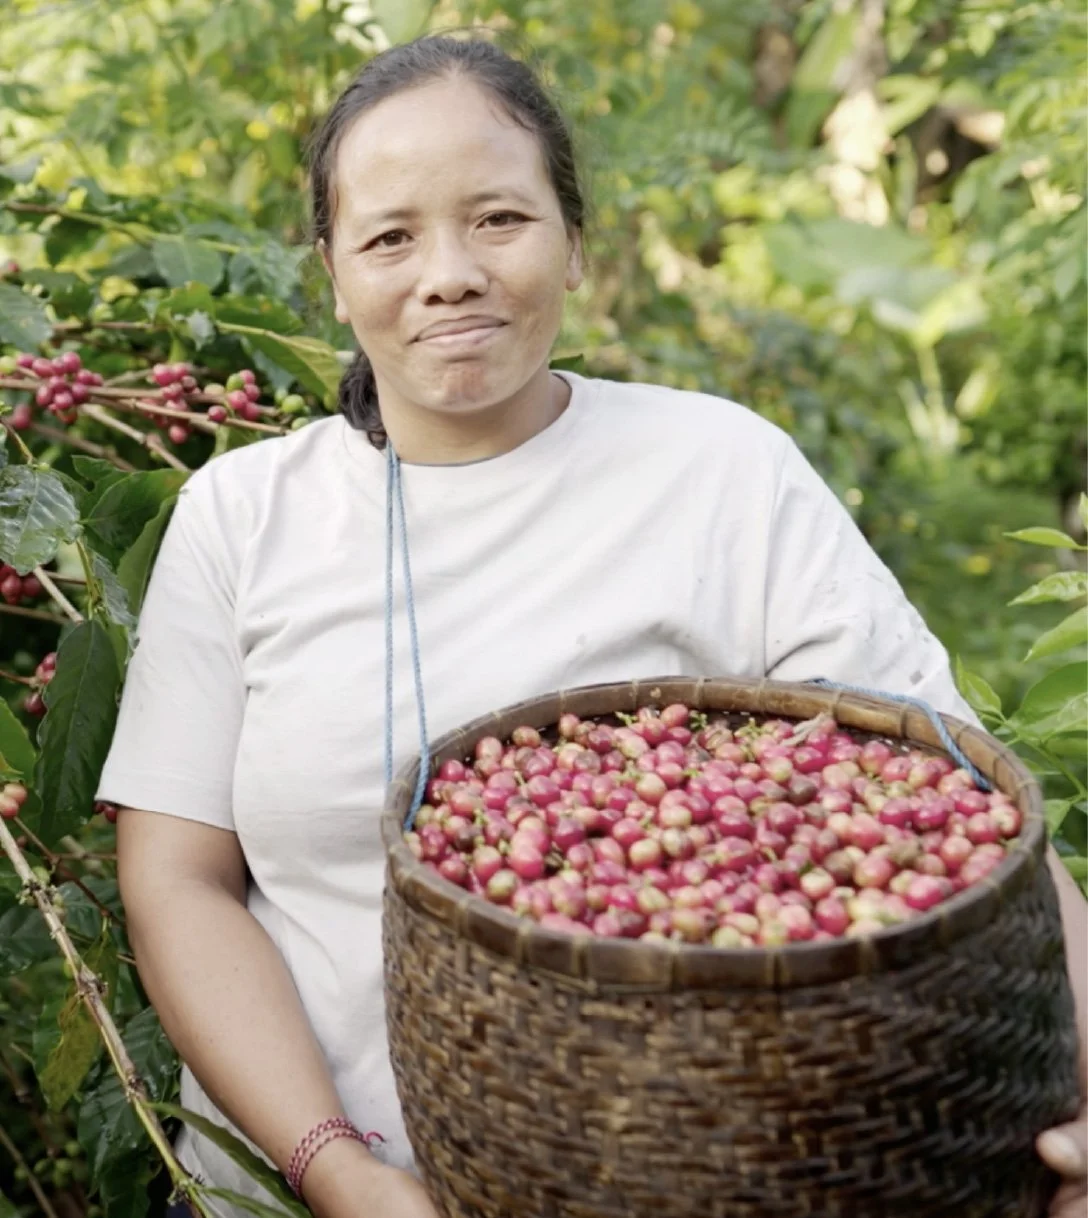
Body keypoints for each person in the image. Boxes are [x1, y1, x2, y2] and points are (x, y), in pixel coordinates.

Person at [98, 33, 1086, 1218]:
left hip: (683, 1182)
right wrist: (338, 1173)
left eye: (499, 219)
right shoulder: (244, 517)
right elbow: (180, 885)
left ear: (575, 243)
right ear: (332, 269)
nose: (449, 272)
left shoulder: (718, 469)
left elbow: (960, 819)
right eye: (389, 235)